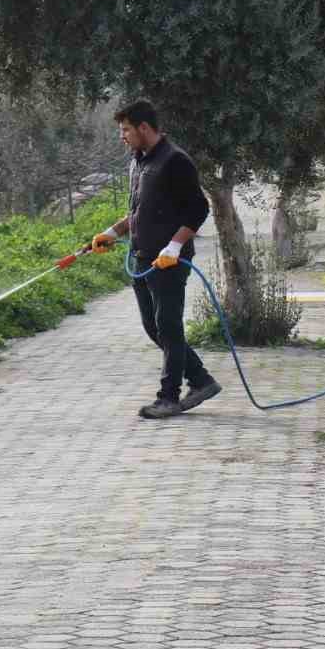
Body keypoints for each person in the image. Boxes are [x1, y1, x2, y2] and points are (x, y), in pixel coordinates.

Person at [91, 99, 223, 420]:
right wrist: (113, 232)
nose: (122, 136)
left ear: (144, 128)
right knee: (154, 327)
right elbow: (140, 210)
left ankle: (168, 398)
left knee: (169, 327)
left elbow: (198, 209)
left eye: (126, 130)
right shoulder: (138, 161)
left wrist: (175, 246)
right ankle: (201, 380)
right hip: (142, 258)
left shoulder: (175, 161)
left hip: (169, 261)